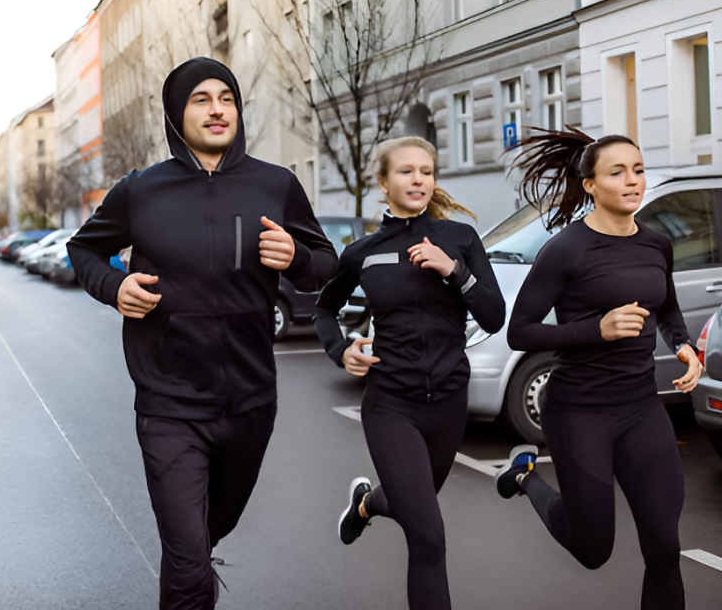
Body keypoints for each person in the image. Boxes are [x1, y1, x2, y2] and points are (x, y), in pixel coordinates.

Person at [68, 57, 337, 609]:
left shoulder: (276, 185)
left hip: (250, 403)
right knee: (190, 565)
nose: (218, 110)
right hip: (168, 403)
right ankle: (190, 580)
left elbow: (326, 263)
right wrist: (114, 287)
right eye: (201, 99)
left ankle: (189, 566)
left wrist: (297, 257)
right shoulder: (141, 190)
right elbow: (82, 250)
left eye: (227, 98)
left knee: (206, 534)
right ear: (175, 112)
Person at [498, 127, 702, 610]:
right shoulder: (566, 249)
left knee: (664, 548)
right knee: (593, 550)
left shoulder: (656, 244)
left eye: (638, 170)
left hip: (640, 409)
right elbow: (520, 331)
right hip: (578, 410)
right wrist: (598, 329)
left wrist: (685, 348)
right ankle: (527, 477)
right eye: (617, 172)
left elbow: (667, 310)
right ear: (590, 184)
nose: (633, 181)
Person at [315, 136, 505, 610]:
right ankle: (372, 504)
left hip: (447, 404)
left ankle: (364, 505)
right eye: (406, 171)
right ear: (384, 182)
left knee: (407, 504)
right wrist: (342, 350)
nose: (418, 179)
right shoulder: (363, 252)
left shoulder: (459, 239)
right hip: (390, 405)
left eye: (426, 170)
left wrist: (454, 271)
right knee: (428, 535)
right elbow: (324, 310)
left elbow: (495, 316)